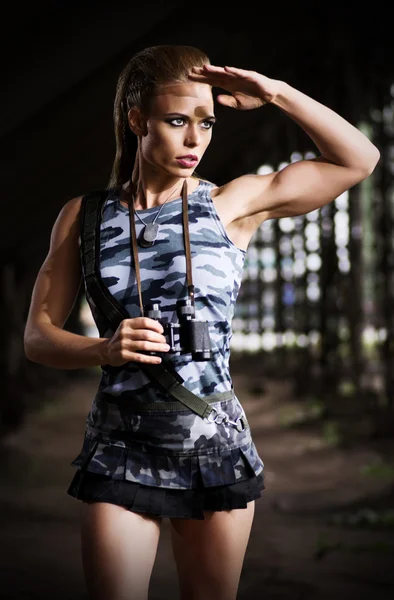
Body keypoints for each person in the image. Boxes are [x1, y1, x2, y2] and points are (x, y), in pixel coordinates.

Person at [23, 44, 379, 600]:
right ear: (136, 120)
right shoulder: (84, 216)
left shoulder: (231, 204)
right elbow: (37, 338)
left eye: (207, 122)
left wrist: (276, 92)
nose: (196, 140)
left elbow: (359, 160)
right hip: (121, 447)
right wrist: (103, 349)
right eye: (176, 121)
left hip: (214, 448)